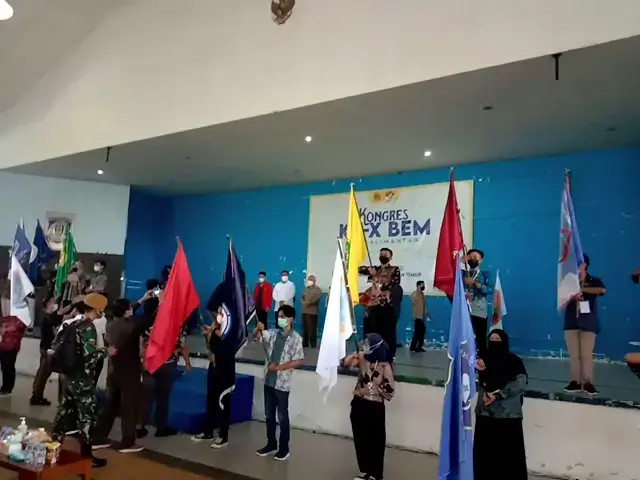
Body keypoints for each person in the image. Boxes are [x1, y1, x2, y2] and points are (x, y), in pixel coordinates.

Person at [51, 293, 116, 468]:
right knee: (86, 416)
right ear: (97, 309)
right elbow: (89, 357)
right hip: (82, 380)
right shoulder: (88, 327)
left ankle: (53, 449)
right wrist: (106, 351)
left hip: (67, 376)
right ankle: (87, 457)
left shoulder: (73, 324)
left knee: (63, 413)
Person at [92, 298, 150, 453]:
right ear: (126, 311)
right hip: (129, 371)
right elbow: (144, 322)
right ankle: (127, 442)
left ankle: (97, 437)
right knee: (129, 407)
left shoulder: (110, 324)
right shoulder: (131, 326)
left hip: (114, 370)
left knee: (110, 406)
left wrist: (142, 299)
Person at [474, 329, 528, 480]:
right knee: (485, 454)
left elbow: (520, 384)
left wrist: (498, 395)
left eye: (498, 340)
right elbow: (476, 381)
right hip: (486, 414)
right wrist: (482, 378)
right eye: (491, 340)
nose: (494, 343)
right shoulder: (481, 361)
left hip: (507, 416)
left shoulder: (514, 361)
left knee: (508, 455)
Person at [253, 305, 304, 461]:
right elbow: (257, 337)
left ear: (290, 319)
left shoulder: (296, 338)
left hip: (282, 384)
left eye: (283, 316)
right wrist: (258, 329)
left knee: (282, 417)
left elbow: (299, 361)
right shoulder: (273, 333)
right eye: (279, 316)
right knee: (269, 416)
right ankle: (271, 444)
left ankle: (284, 449)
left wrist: (279, 368)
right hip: (269, 381)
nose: (280, 319)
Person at [342, 333, 394, 480]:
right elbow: (344, 365)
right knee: (361, 439)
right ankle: (365, 470)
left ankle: (375, 474)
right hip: (359, 405)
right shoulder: (362, 359)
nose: (364, 345)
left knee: (375, 441)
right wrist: (351, 357)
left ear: (375, 346)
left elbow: (390, 390)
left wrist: (369, 390)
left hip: (375, 408)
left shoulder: (385, 366)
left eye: (367, 343)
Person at [191, 304, 236, 448]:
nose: (217, 315)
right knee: (211, 400)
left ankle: (223, 435)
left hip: (225, 369)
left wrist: (214, 330)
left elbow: (225, 339)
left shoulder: (231, 328)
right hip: (214, 368)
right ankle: (208, 431)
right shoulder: (214, 326)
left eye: (221, 313)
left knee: (224, 402)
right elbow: (211, 347)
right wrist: (207, 335)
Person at [139, 315, 191, 438]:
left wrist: (143, 360)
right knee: (162, 398)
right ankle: (161, 427)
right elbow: (183, 346)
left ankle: (140, 427)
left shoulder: (150, 327)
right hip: (166, 365)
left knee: (146, 397)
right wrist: (187, 362)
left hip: (149, 365)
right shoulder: (175, 328)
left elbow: (142, 344)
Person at [563, 253, 605, 395]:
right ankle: (574, 382)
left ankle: (588, 383)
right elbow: (562, 301)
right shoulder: (568, 282)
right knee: (574, 355)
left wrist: (582, 290)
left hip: (588, 323)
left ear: (584, 265)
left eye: (578, 263)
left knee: (586, 355)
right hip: (571, 323)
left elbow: (602, 290)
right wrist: (571, 295)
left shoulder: (594, 281)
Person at [358, 248, 401, 360]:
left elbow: (394, 284)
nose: (383, 256)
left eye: (385, 254)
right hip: (372, 306)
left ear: (390, 257)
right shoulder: (375, 269)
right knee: (371, 331)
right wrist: (370, 271)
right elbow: (359, 270)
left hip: (386, 306)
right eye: (381, 254)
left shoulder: (394, 269)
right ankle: (369, 355)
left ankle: (389, 357)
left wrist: (377, 279)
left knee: (387, 333)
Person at [31, 296, 72, 405]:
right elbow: (61, 317)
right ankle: (36, 397)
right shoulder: (47, 319)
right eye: (53, 302)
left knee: (42, 373)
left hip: (45, 348)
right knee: (43, 374)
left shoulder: (49, 316)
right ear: (48, 304)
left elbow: (61, 313)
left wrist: (72, 305)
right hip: (47, 349)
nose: (55, 304)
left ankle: (36, 394)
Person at [463, 249, 493, 358]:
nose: (472, 259)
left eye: (475, 257)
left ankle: (482, 357)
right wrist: (464, 293)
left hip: (479, 308)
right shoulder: (463, 273)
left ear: (480, 260)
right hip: (465, 308)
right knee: (465, 333)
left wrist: (475, 283)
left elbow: (489, 290)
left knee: (480, 335)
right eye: (470, 257)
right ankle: (466, 356)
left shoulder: (485, 274)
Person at [0, 315, 27, 395]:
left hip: (11, 346)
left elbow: (18, 328)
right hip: (3, 345)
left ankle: (7, 388)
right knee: (5, 367)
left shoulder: (19, 320)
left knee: (8, 367)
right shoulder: (5, 318)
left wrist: (5, 329)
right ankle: (5, 387)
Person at [301, 274, 322, 348]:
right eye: (309, 279)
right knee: (305, 328)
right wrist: (303, 303)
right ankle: (305, 343)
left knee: (312, 328)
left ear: (314, 281)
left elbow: (316, 299)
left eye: (311, 279)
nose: (310, 281)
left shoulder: (318, 289)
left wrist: (308, 303)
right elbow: (302, 297)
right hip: (304, 311)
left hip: (312, 312)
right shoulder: (306, 289)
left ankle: (313, 343)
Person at [410, 280, 429, 352]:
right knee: (419, 332)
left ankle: (414, 347)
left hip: (422, 316)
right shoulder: (415, 295)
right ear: (418, 286)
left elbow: (424, 306)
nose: (423, 286)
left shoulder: (422, 295)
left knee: (419, 332)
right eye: (422, 285)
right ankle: (417, 346)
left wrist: (428, 314)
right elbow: (413, 302)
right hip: (417, 317)